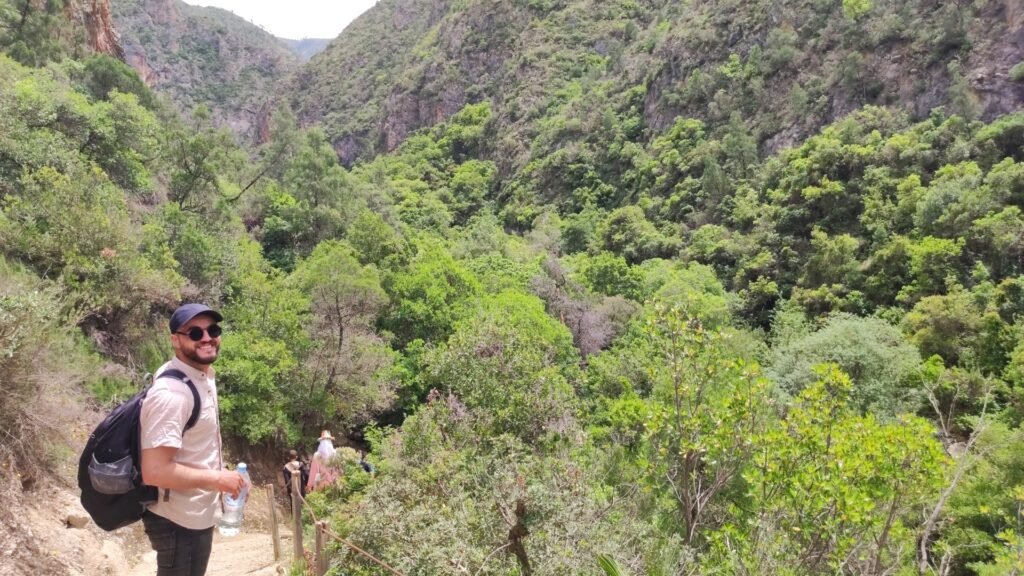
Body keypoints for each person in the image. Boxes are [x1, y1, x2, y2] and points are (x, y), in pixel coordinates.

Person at [139, 303, 247, 576]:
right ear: (175, 340)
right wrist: (217, 480)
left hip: (195, 513)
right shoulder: (172, 394)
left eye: (212, 329)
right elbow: (154, 471)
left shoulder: (201, 377)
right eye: (195, 333)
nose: (207, 337)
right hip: (177, 518)